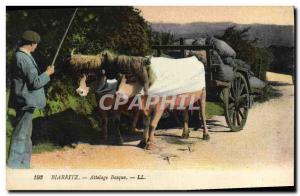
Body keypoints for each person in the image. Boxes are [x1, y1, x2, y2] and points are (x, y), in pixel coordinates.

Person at [7, 30, 55, 169]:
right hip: (25, 102)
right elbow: (35, 83)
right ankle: (14, 166)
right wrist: (47, 73)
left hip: (24, 101)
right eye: (36, 44)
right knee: (21, 135)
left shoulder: (20, 55)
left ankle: (23, 164)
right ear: (31, 44)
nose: (36, 47)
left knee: (26, 136)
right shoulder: (24, 58)